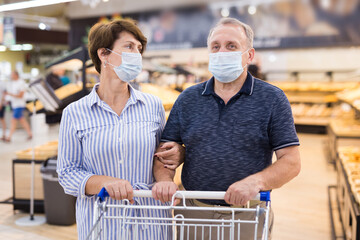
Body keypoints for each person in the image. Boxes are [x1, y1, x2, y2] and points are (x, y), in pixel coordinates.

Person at [152, 17, 301, 239]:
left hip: (247, 213)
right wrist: (164, 180)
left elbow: (291, 161)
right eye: (216, 46)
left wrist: (255, 182)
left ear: (249, 55)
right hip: (194, 212)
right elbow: (164, 154)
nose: (222, 52)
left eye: (231, 46)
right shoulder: (187, 99)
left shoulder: (272, 99)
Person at [57, 19, 176, 240]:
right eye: (129, 47)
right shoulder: (75, 113)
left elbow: (161, 158)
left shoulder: (152, 105)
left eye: (139, 49)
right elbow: (67, 173)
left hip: (149, 221)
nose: (137, 54)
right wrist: (105, 182)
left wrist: (168, 174)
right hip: (102, 224)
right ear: (103, 54)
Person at [4, 71, 32, 142]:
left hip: (19, 105)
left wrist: (9, 94)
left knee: (13, 121)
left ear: (16, 75)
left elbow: (20, 95)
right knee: (22, 121)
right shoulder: (13, 83)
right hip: (14, 105)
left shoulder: (21, 83)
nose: (11, 76)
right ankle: (30, 134)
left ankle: (9, 137)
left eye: (12, 75)